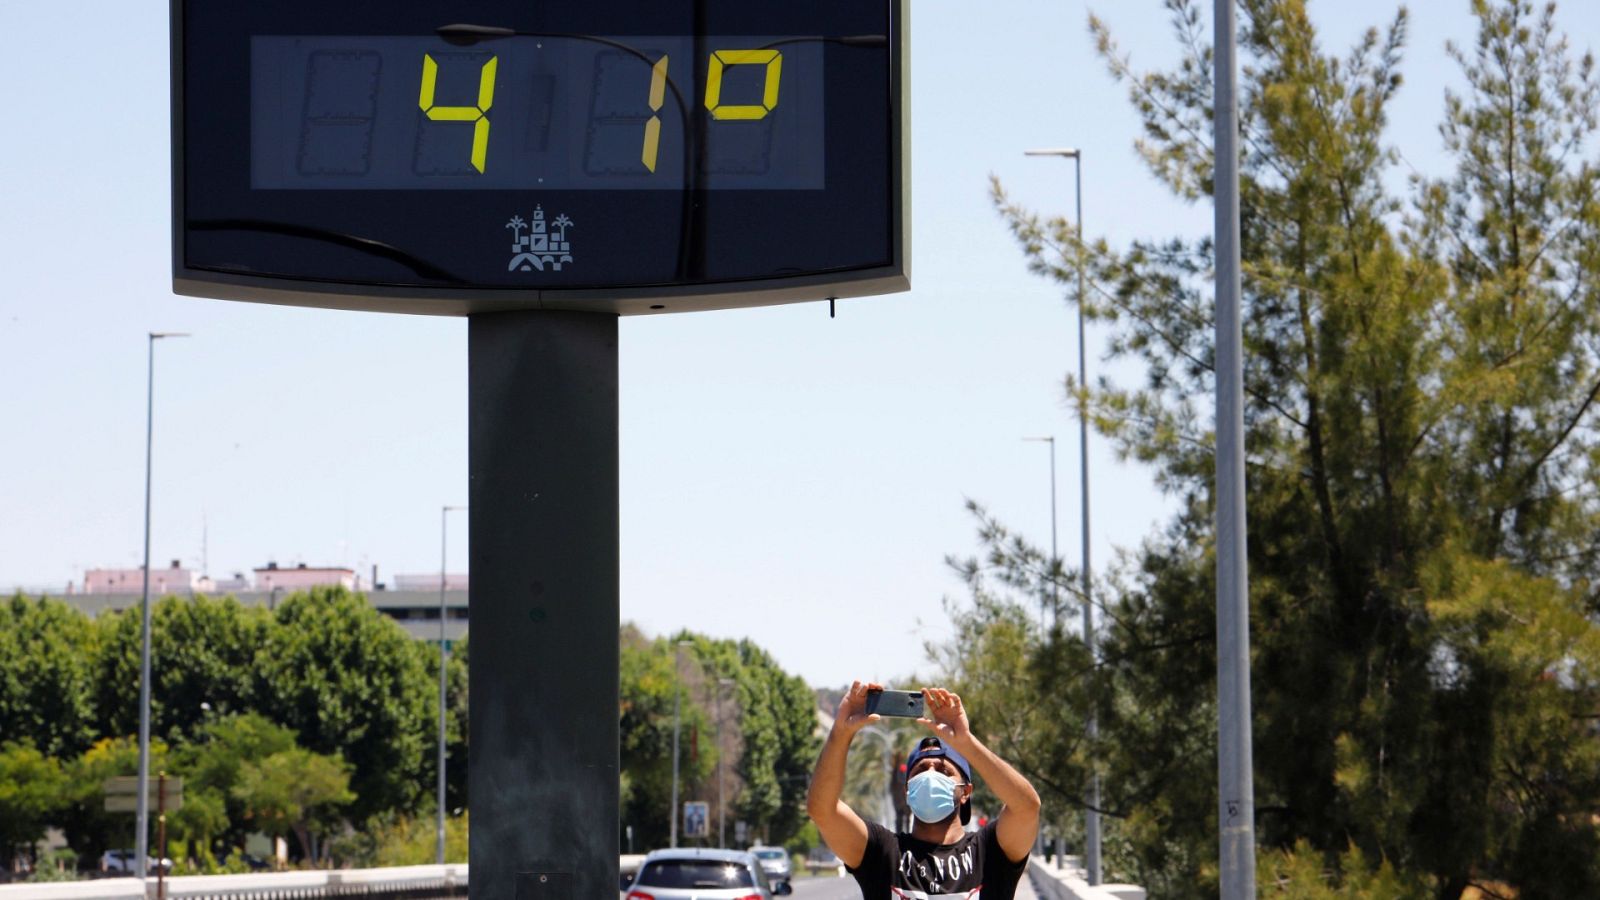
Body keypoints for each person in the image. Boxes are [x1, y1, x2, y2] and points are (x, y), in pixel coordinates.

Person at [806, 681, 1041, 898]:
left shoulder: (989, 851)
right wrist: (841, 732)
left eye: (943, 770)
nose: (930, 774)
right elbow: (823, 810)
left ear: (966, 791)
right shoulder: (883, 851)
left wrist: (966, 742)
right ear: (908, 790)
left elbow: (1027, 807)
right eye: (920, 770)